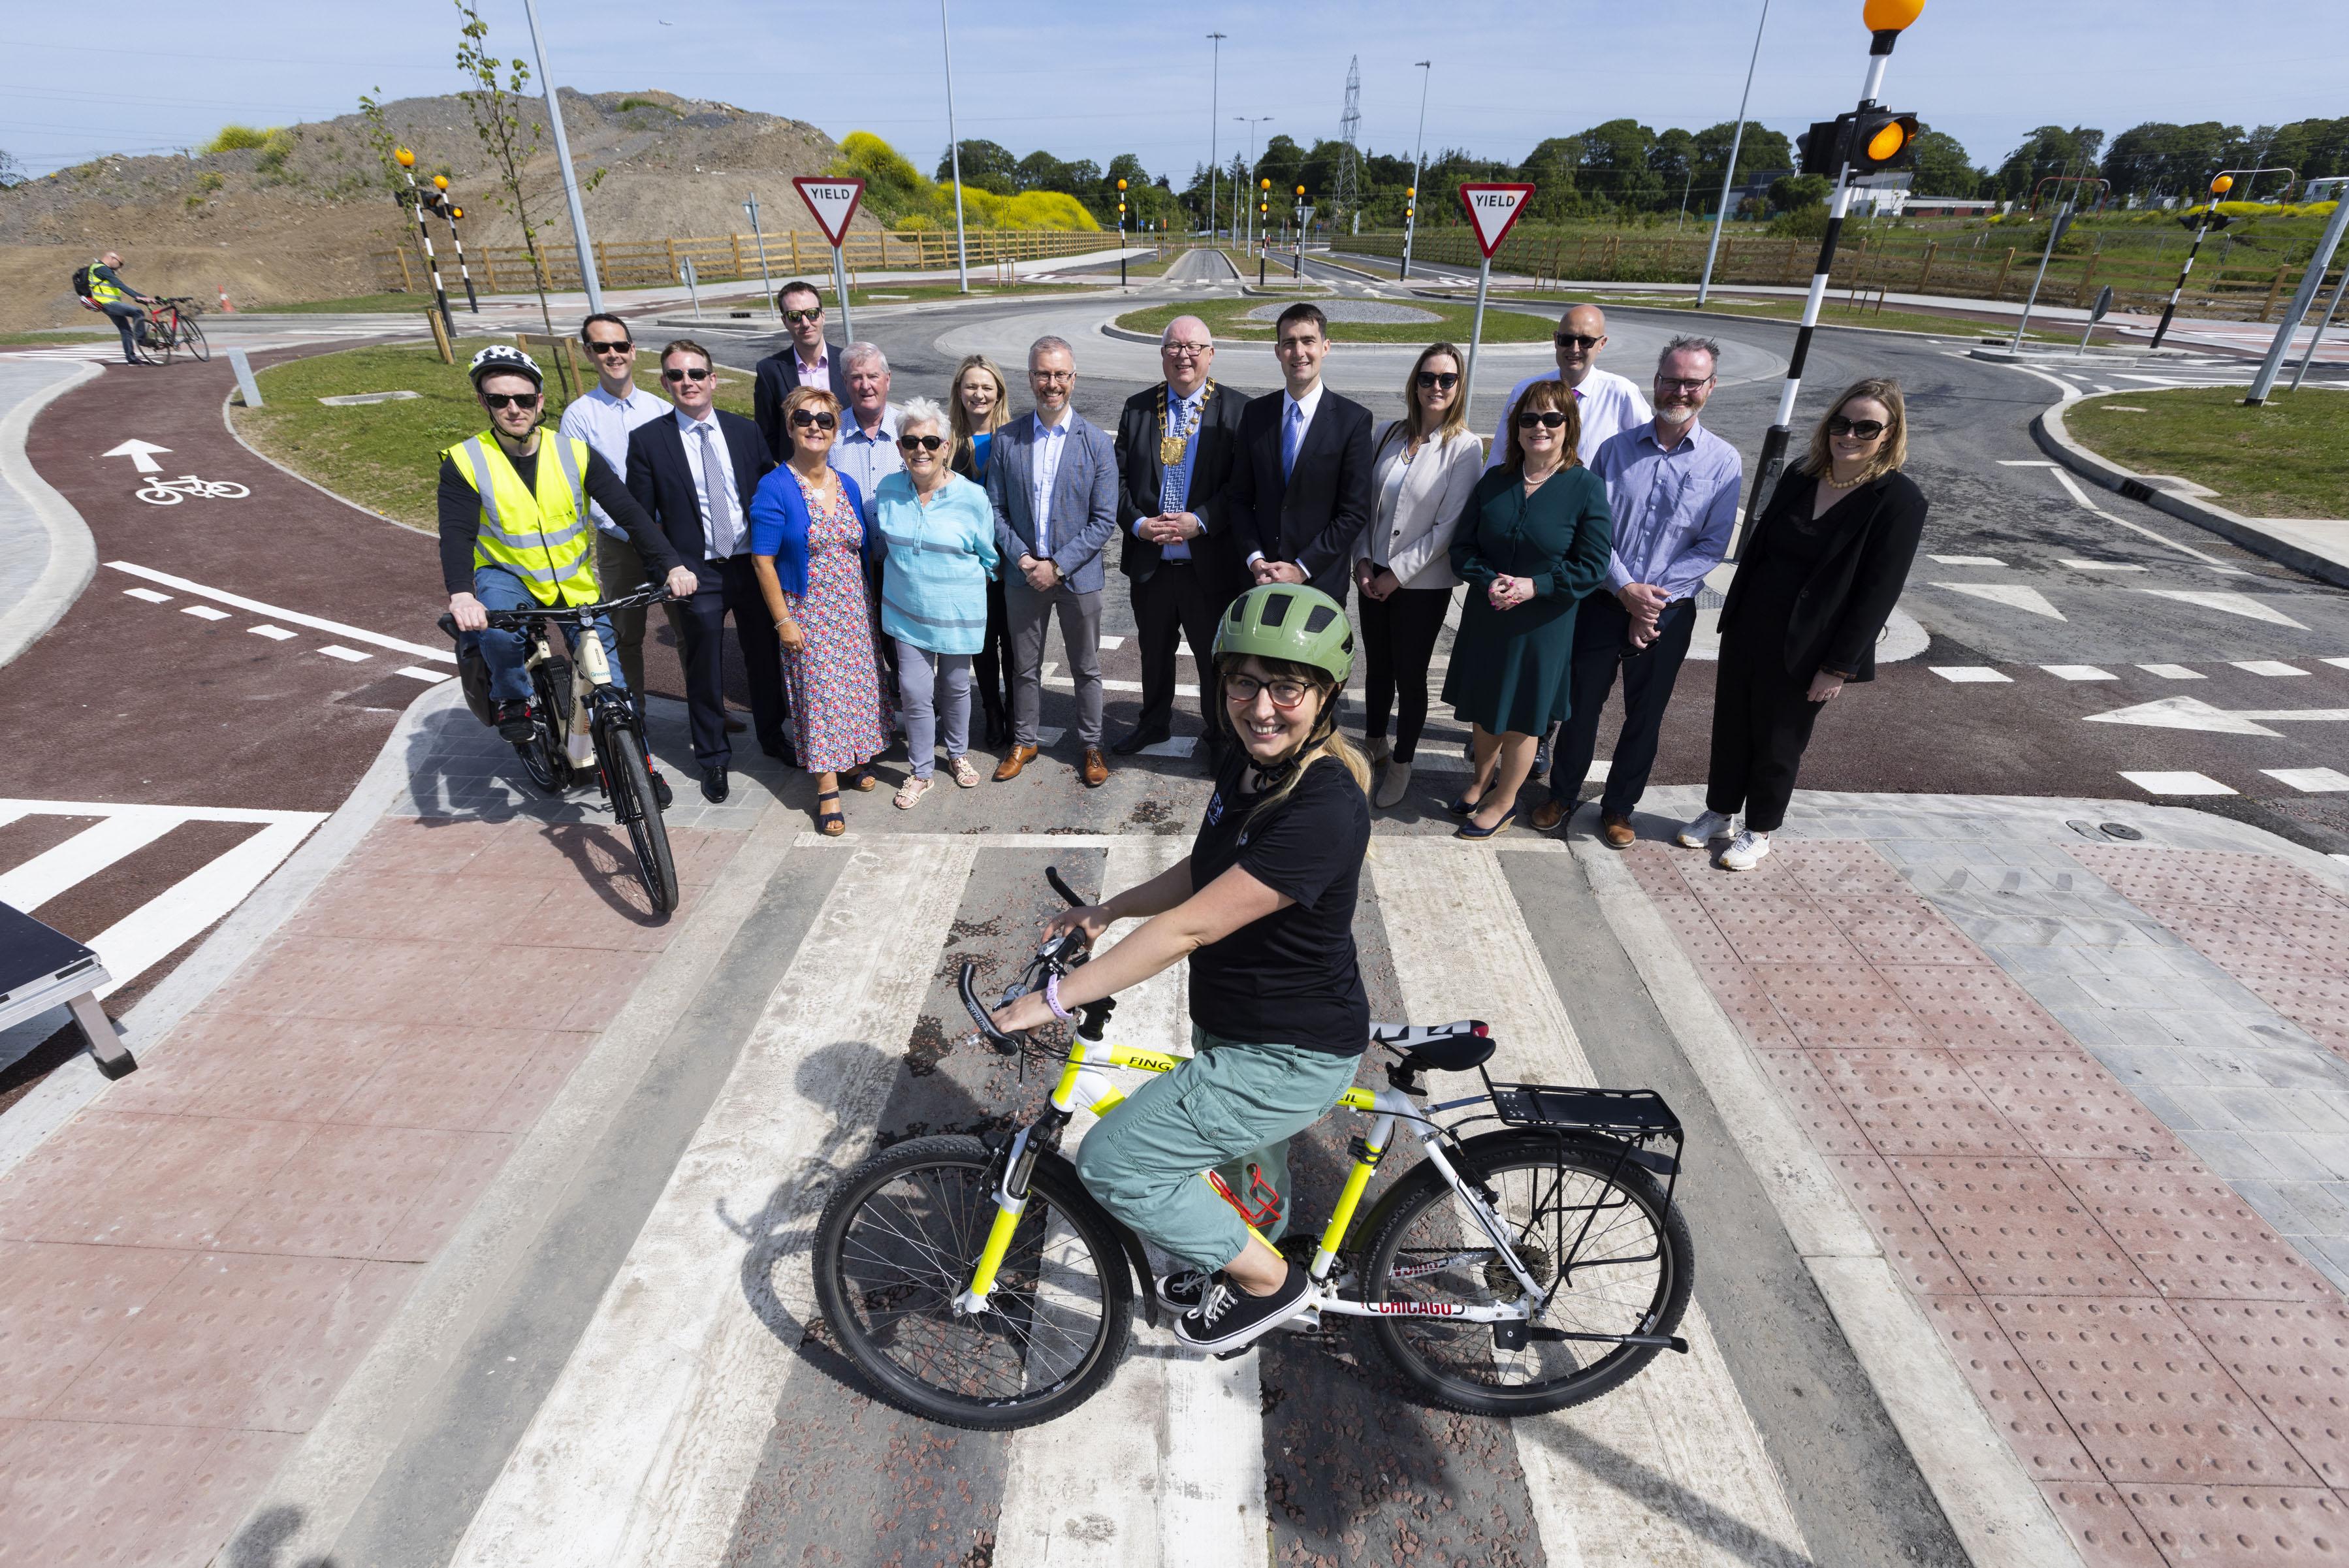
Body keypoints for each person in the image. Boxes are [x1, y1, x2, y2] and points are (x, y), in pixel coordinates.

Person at [989, 582, 1372, 1355]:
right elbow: (1206, 872)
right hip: (1241, 1028)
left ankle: (1271, 1282)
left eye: (1287, 687)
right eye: (1243, 681)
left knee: (1118, 1161)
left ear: (1325, 694)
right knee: (1234, 1172)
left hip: (1286, 1052)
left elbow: (1193, 926)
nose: (1261, 706)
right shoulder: (1252, 766)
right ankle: (1237, 1255)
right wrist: (1107, 911)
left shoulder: (1324, 804)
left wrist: (1052, 1000)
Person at [1679, 379, 1926, 872]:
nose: (1849, 435)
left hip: (1813, 645)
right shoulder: (1801, 474)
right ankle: (1721, 811)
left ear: (1889, 433)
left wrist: (1838, 666)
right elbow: (1760, 548)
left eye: (1865, 427)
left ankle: (1760, 829)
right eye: (1841, 422)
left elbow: (1878, 593)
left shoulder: (1897, 500)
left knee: (1779, 738)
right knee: (1731, 725)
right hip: (1751, 625)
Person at [438, 346, 696, 759]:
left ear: (539, 401)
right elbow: (455, 535)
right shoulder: (465, 461)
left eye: (523, 399)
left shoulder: (573, 452)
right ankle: (513, 700)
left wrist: (671, 564)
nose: (513, 409)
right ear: (483, 402)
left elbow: (629, 512)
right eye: (499, 400)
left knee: (611, 683)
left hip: (572, 579)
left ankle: (642, 766)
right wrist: (462, 594)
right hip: (507, 575)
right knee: (499, 634)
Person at [1533, 336, 1740, 844]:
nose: (1680, 390)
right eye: (1671, 379)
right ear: (1656, 381)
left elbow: (1711, 545)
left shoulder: (1723, 461)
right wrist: (1626, 589)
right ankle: (1561, 793)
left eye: (1692, 382)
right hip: (1603, 601)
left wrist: (1651, 602)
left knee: (1644, 716)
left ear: (1709, 388)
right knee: (1579, 706)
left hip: (1668, 612)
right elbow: (1593, 529)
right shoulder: (1614, 449)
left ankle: (1619, 807)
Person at [1440, 381, 1613, 840]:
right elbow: (1462, 547)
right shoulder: (1494, 480)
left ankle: (1504, 800)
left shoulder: (1585, 487)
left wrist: (1533, 586)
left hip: (1542, 623)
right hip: (1488, 613)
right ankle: (1480, 780)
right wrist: (1487, 579)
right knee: (1484, 707)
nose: (1539, 427)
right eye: (1529, 419)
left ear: (1568, 427)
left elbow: (1592, 566)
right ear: (1516, 429)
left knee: (1521, 714)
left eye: (1551, 418)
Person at [624, 340, 782, 804]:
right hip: (696, 573)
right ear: (665, 383)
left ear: (713, 380)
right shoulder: (649, 441)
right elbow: (639, 519)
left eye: (696, 374)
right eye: (677, 376)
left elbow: (766, 498)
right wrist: (669, 566)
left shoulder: (744, 431)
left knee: (764, 655)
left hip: (752, 566)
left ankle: (773, 737)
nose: (687, 382)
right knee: (704, 666)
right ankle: (713, 757)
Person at [748, 386, 893, 836]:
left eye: (825, 420)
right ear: (790, 426)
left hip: (852, 609)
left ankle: (851, 760)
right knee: (819, 698)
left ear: (835, 430)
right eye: (805, 418)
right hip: (807, 611)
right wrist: (783, 620)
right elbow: (762, 560)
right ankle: (826, 787)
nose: (815, 426)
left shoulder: (846, 483)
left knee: (854, 690)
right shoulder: (774, 486)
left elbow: (860, 550)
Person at [1352, 342, 1482, 810]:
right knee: (1377, 668)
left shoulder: (1463, 447)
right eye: (1427, 377)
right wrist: (1363, 561)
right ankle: (1374, 745)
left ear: (1458, 386)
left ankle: (1402, 762)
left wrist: (1397, 575)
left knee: (1409, 675)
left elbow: (1448, 528)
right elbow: (1365, 504)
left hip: (1421, 585)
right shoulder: (1388, 433)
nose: (1436, 387)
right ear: (1414, 383)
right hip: (1372, 574)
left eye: (1446, 379)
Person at [1111, 316, 1248, 761]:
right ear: (1162, 353)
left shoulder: (1237, 411)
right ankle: (1152, 723)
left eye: (1194, 347)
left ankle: (1219, 737)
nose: (1183, 355)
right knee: (1153, 652)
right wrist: (1137, 524)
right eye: (1173, 346)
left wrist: (1201, 521)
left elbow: (1241, 487)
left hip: (1207, 565)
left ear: (1211, 354)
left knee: (1215, 662)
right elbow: (1117, 479)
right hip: (1151, 563)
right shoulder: (1136, 408)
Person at [985, 336, 1120, 788]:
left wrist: (1056, 566)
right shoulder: (1008, 440)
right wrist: (1025, 560)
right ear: (1030, 378)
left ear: (1073, 379)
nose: (1052, 383)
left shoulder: (1097, 444)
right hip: (1023, 576)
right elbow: (995, 510)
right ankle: (1024, 740)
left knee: (1086, 667)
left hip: (1077, 577)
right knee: (1023, 667)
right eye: (1043, 373)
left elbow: (1104, 521)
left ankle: (1091, 744)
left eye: (1060, 374)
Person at [558, 313, 694, 712]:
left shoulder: (659, 408)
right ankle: (633, 715)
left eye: (620, 346)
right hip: (620, 543)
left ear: (633, 351)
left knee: (689, 629)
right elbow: (583, 486)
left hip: (668, 540)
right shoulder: (579, 416)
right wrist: (630, 527)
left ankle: (706, 710)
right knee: (625, 634)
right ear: (589, 353)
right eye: (602, 347)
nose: (613, 354)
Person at [873, 396, 999, 808]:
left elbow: (987, 553)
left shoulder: (972, 497)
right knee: (913, 690)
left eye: (930, 440)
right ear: (900, 448)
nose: (920, 449)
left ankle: (958, 754)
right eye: (911, 441)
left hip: (957, 612)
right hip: (905, 611)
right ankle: (921, 770)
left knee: (955, 686)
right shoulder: (888, 489)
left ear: (946, 445)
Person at [1228, 303, 1376, 603]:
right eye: (1289, 343)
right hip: (1260, 580)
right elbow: (1239, 498)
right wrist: (1255, 560)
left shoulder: (1353, 421)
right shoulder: (1255, 414)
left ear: (1325, 347)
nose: (1298, 352)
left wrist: (1301, 568)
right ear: (1277, 351)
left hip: (1319, 585)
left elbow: (1353, 512)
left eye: (1308, 341)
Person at [1486, 303, 1652, 470]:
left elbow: (1646, 451)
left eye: (1586, 341)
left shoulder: (1622, 394)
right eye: (1567, 340)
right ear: (1556, 340)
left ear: (1602, 344)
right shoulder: (1525, 391)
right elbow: (1501, 454)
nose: (1574, 349)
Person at [948, 354, 1016, 748]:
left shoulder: (1016, 437)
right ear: (959, 391)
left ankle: (1018, 712)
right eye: (971, 386)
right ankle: (992, 709)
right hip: (968, 564)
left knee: (1015, 641)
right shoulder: (946, 442)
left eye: (986, 387)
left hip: (1012, 557)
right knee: (983, 641)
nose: (979, 393)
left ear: (999, 393)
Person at [752, 281, 852, 460]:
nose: (805, 323)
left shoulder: (848, 362)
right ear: (785, 321)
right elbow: (767, 434)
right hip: (799, 475)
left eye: (812, 314)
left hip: (849, 468)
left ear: (823, 315)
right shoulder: (770, 371)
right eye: (795, 316)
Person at [830, 344, 903, 521]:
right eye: (856, 377)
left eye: (873, 376)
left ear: (887, 379)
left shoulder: (908, 429)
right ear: (845, 382)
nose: (865, 385)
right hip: (850, 548)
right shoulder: (830, 433)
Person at [83, 251, 157, 366]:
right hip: (108, 304)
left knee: (125, 330)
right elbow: (119, 284)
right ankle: (142, 339)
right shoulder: (102, 269)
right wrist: (139, 296)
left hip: (108, 305)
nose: (120, 268)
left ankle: (131, 359)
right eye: (120, 264)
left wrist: (141, 297)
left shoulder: (97, 268)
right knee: (138, 312)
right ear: (112, 258)